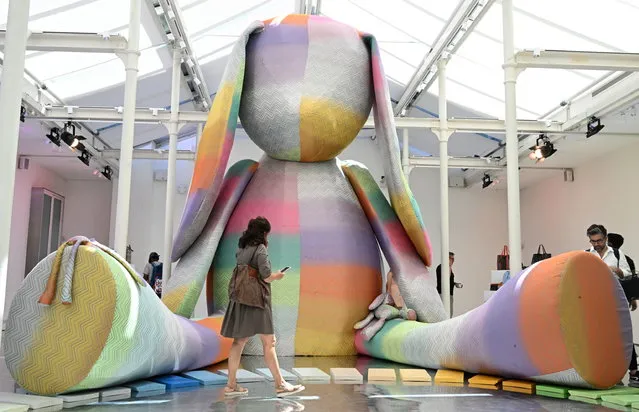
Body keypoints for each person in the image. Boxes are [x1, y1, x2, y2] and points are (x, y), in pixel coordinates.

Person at [220, 216, 304, 398]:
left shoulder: (241, 248)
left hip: (240, 300)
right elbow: (265, 277)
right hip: (257, 302)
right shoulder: (260, 249)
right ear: (264, 233)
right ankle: (280, 384)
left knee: (238, 342)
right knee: (269, 342)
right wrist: (278, 276)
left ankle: (231, 385)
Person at [608, 232, 639, 386]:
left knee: (618, 337)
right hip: (621, 303)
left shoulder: (620, 258)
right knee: (624, 337)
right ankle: (633, 372)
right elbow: (633, 281)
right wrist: (632, 300)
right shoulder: (627, 258)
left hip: (614, 303)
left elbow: (629, 278)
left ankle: (627, 372)